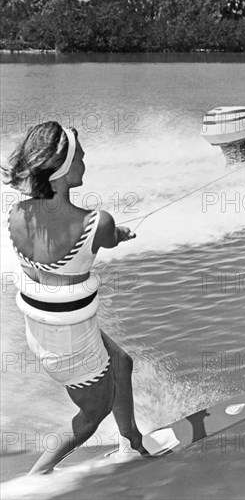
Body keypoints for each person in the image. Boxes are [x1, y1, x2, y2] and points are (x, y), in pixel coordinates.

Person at [2, 122, 147, 474]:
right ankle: (36, 480)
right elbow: (109, 236)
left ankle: (132, 441)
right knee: (90, 416)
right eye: (80, 156)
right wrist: (120, 232)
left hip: (44, 332)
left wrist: (113, 232)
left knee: (121, 362)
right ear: (64, 167)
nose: (85, 160)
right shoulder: (96, 223)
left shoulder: (17, 214)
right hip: (72, 346)